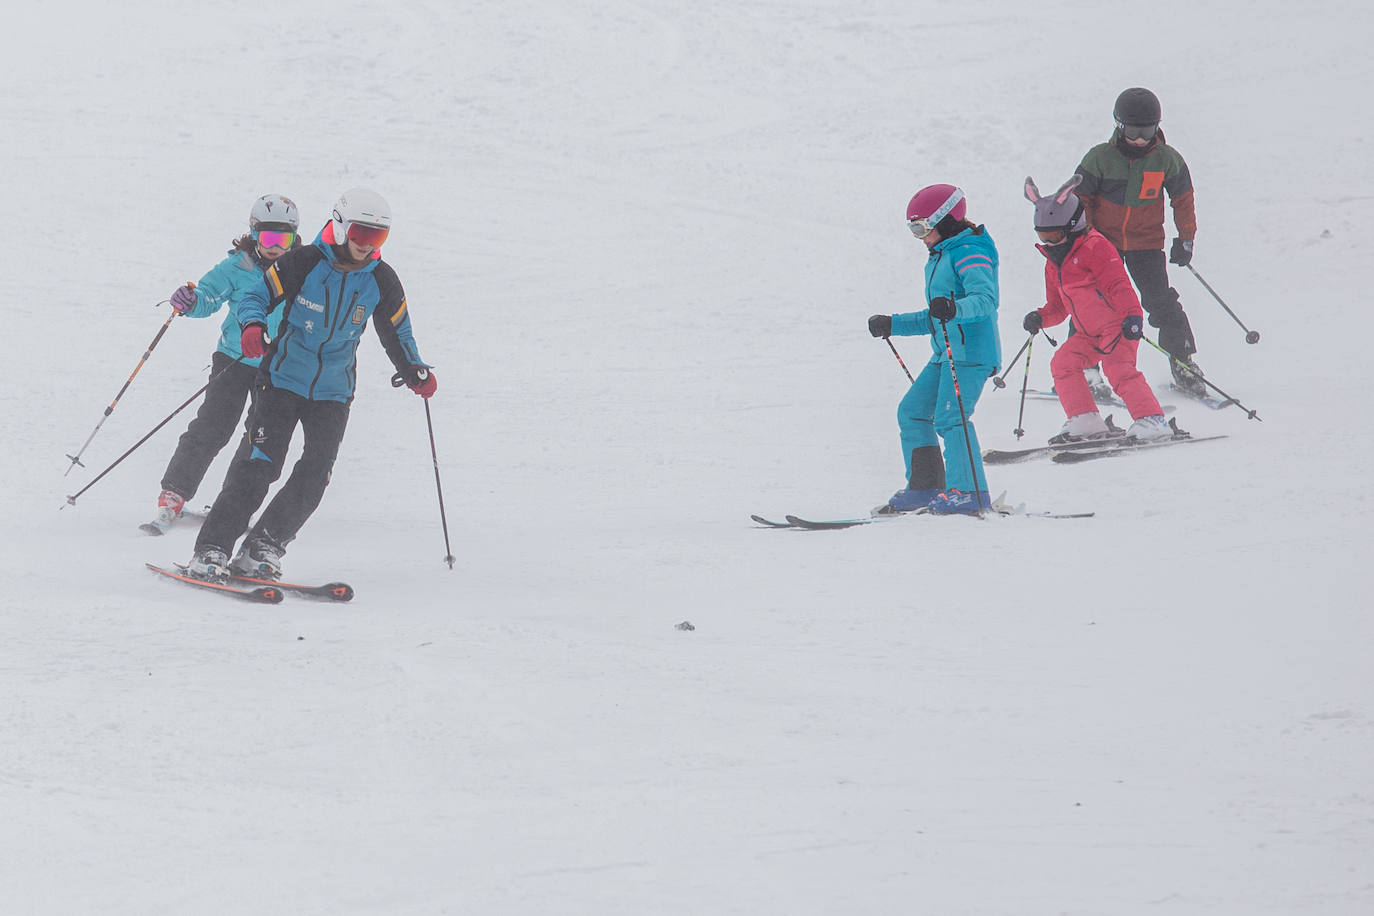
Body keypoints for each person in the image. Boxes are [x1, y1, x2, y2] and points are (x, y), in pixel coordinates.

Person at [186, 188, 436, 580]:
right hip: (282, 380)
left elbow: (397, 331)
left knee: (317, 472)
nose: (366, 245)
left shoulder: (382, 280)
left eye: (377, 238)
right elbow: (257, 295)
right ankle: (212, 549)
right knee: (260, 467)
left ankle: (264, 546)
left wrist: (415, 369)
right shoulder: (302, 262)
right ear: (339, 226)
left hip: (334, 391)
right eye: (361, 233)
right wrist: (252, 325)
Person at [147, 195, 302, 533]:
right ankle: (174, 494)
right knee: (213, 426)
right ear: (253, 234)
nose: (276, 248)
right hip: (235, 357)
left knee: (258, 436)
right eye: (268, 239)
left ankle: (235, 502)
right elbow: (208, 298)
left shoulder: (300, 267)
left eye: (284, 239)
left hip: (276, 365)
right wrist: (191, 302)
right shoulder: (238, 267)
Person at [867, 183, 999, 515]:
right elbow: (937, 316)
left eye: (922, 227)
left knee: (951, 417)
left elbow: (985, 300)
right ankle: (926, 487)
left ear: (946, 219)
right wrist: (892, 324)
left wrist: (954, 309)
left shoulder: (970, 250)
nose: (919, 236)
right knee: (912, 411)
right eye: (914, 228)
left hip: (971, 353)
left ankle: (969, 492)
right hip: (945, 353)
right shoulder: (941, 256)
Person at [1074, 87, 1206, 396]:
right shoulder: (1099, 157)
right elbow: (1081, 200)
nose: (1140, 138)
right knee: (1093, 302)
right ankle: (1085, 367)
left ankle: (1183, 361)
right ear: (1119, 125)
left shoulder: (1166, 160)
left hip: (1146, 244)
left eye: (1147, 130)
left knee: (1161, 301)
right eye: (1133, 130)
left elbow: (1183, 199)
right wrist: (1086, 239)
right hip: (1102, 245)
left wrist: (1185, 239)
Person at [1021, 175, 1170, 443]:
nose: (1050, 242)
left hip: (1119, 325)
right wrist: (1040, 318)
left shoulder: (1096, 247)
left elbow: (1119, 286)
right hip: (1088, 333)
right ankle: (1085, 419)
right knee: (1063, 363)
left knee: (1118, 368)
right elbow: (1058, 308)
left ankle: (1152, 420)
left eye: (1054, 235)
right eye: (1043, 235)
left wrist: (1132, 316)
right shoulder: (1053, 262)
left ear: (1073, 224)